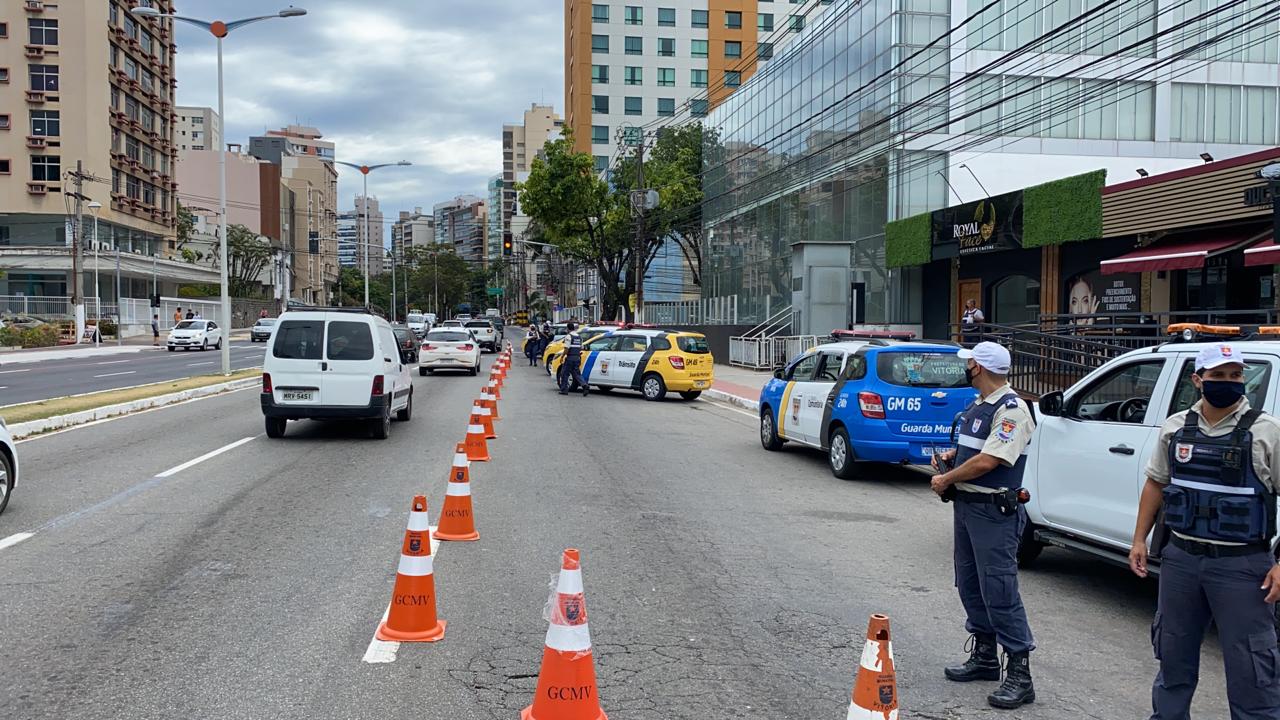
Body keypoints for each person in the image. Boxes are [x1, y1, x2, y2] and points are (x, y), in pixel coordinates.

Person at [1129, 344, 1280, 719]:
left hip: (1243, 566)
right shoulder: (1177, 426)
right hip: (1181, 560)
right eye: (1218, 375)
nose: (1228, 382)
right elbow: (1156, 483)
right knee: (1173, 658)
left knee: (1252, 670)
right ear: (1198, 380)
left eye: (1235, 375)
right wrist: (1139, 539)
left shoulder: (1267, 431)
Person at [930, 340, 1037, 710]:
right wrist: (951, 458)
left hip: (994, 512)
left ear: (978, 367)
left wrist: (946, 479)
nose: (966, 367)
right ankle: (985, 656)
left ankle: (1020, 674)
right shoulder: (979, 406)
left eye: (969, 363)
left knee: (999, 589)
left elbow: (991, 460)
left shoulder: (1012, 409)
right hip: (968, 506)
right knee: (971, 583)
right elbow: (975, 453)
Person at [558, 322, 588, 397]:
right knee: (577, 373)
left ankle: (564, 390)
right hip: (577, 358)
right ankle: (584, 385)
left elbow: (566, 348)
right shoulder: (579, 337)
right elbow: (581, 347)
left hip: (570, 358)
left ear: (568, 329)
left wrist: (562, 356)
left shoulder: (568, 336)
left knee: (564, 373)